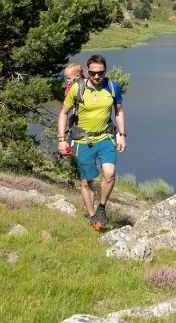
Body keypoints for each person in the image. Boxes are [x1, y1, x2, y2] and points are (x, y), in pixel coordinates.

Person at [57, 54, 126, 230]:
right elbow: (64, 113)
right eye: (93, 73)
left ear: (105, 70)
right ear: (87, 71)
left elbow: (118, 112)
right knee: (87, 181)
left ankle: (102, 207)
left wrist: (122, 134)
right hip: (83, 140)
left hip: (105, 137)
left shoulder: (112, 87)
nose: (97, 76)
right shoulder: (77, 88)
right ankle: (92, 215)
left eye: (100, 73)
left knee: (109, 174)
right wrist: (61, 140)